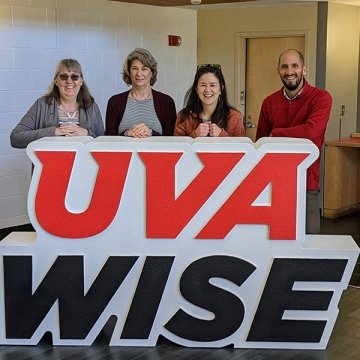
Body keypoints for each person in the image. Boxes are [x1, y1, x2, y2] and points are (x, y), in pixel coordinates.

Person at [255, 49, 332, 234]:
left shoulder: (321, 98)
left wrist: (276, 134)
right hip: (275, 183)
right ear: (279, 71)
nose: (290, 71)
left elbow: (311, 131)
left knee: (310, 239)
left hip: (307, 183)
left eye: (295, 66)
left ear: (304, 70)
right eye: (284, 66)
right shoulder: (268, 103)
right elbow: (260, 142)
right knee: (275, 240)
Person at [10, 59, 104, 148]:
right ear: (56, 81)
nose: (69, 81)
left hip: (83, 164)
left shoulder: (91, 106)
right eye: (64, 76)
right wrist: (54, 131)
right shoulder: (42, 105)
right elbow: (16, 138)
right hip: (49, 163)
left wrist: (86, 133)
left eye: (74, 77)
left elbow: (102, 143)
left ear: (81, 81)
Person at [105, 48, 176, 137]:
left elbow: (170, 140)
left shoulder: (167, 102)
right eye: (135, 68)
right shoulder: (114, 102)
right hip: (126, 150)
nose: (139, 74)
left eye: (144, 69)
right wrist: (127, 133)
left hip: (155, 151)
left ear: (152, 73)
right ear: (129, 72)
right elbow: (109, 139)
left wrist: (151, 132)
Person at [174, 64, 245, 137]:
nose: (207, 90)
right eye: (203, 85)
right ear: (196, 90)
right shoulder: (183, 117)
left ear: (221, 89)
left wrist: (221, 135)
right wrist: (194, 135)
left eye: (212, 85)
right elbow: (177, 147)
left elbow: (242, 147)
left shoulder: (235, 117)